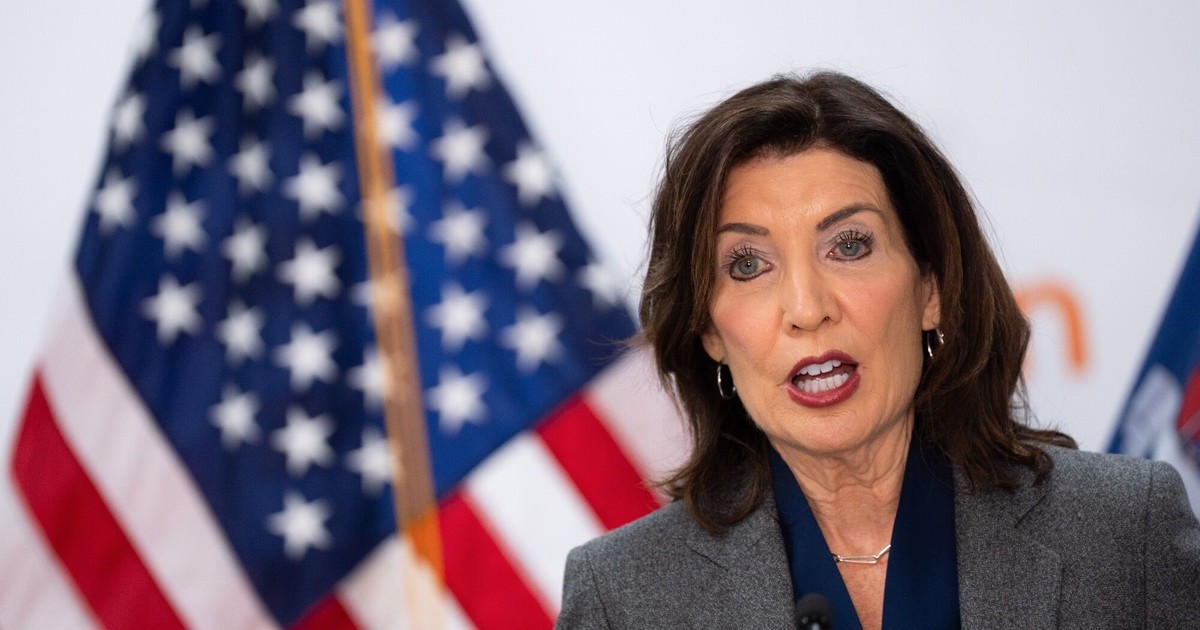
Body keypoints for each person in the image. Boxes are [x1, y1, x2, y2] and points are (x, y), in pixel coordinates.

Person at [555, 71, 1200, 629]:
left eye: (849, 246)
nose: (807, 308)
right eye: (748, 264)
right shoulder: (623, 598)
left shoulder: (1123, 531)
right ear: (711, 332)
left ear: (931, 290)